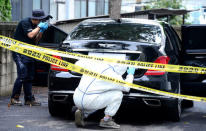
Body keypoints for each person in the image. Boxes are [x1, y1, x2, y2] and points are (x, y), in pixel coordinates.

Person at [73, 53, 135, 129]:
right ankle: (106, 120)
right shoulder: (113, 75)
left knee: (97, 93)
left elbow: (77, 62)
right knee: (118, 94)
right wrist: (130, 74)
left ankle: (82, 112)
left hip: (77, 97)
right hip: (91, 101)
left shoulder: (93, 63)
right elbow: (126, 88)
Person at [10, 9, 51, 106]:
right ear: (36, 19)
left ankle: (29, 99)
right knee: (22, 75)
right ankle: (14, 98)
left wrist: (41, 31)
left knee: (30, 76)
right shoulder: (25, 22)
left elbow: (35, 40)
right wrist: (39, 27)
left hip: (29, 52)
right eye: (41, 20)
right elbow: (31, 35)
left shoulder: (36, 26)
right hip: (19, 52)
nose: (41, 22)